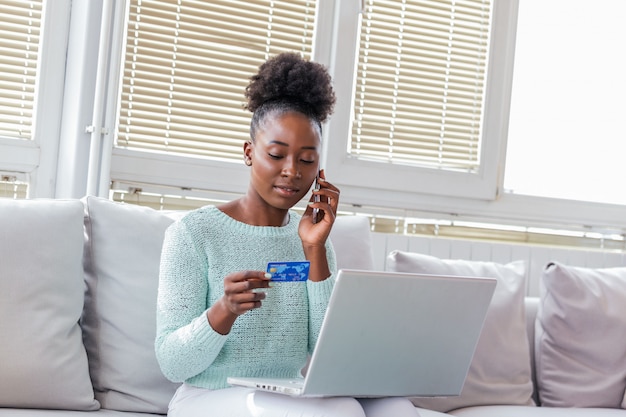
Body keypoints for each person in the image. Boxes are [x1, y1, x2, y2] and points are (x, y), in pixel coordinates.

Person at [155, 52, 419, 417]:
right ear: (250, 153)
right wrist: (224, 310)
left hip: (288, 392)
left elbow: (323, 351)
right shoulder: (193, 233)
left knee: (397, 409)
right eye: (277, 155)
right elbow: (172, 363)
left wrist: (314, 248)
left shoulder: (315, 242)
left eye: (307, 160)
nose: (292, 171)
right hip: (207, 396)